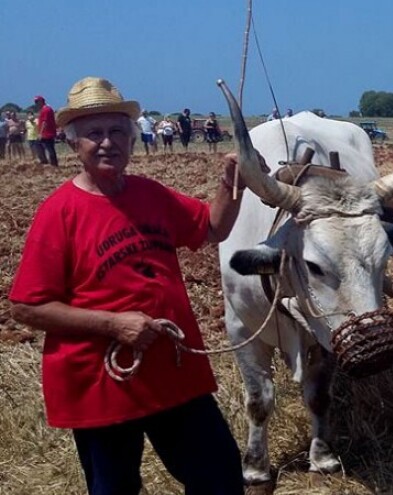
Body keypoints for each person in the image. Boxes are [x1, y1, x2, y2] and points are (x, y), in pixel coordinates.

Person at [9, 76, 248, 495]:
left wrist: (234, 182)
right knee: (115, 487)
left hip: (174, 374)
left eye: (117, 131)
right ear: (72, 144)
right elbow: (27, 307)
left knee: (221, 476)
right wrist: (113, 325)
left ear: (132, 139)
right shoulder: (59, 213)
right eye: (93, 134)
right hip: (103, 384)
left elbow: (212, 227)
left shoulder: (150, 194)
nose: (106, 143)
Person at [35, 95, 59, 166]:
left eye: (37, 101)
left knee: (48, 147)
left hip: (47, 133)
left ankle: (48, 162)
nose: (36, 103)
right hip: (48, 132)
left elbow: (45, 122)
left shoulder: (46, 110)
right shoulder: (46, 109)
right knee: (47, 147)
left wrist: (40, 133)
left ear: (41, 101)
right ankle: (50, 162)